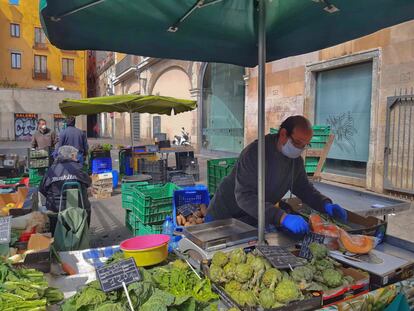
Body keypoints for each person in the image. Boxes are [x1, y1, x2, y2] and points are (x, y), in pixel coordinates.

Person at [206, 115, 347, 234]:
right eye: (297, 142)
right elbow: (244, 197)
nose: (299, 149)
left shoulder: (295, 161)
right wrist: (282, 217)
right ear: (283, 134)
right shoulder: (255, 153)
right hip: (225, 214)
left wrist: (325, 204)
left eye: (304, 145)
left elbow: (304, 188)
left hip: (254, 217)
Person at [39, 145, 91, 234]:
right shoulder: (78, 167)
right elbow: (88, 182)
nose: (76, 157)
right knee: (86, 206)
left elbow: (42, 188)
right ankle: (82, 233)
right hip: (78, 207)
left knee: (50, 213)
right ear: (71, 156)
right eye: (75, 155)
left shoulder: (52, 169)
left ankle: (56, 238)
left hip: (55, 209)